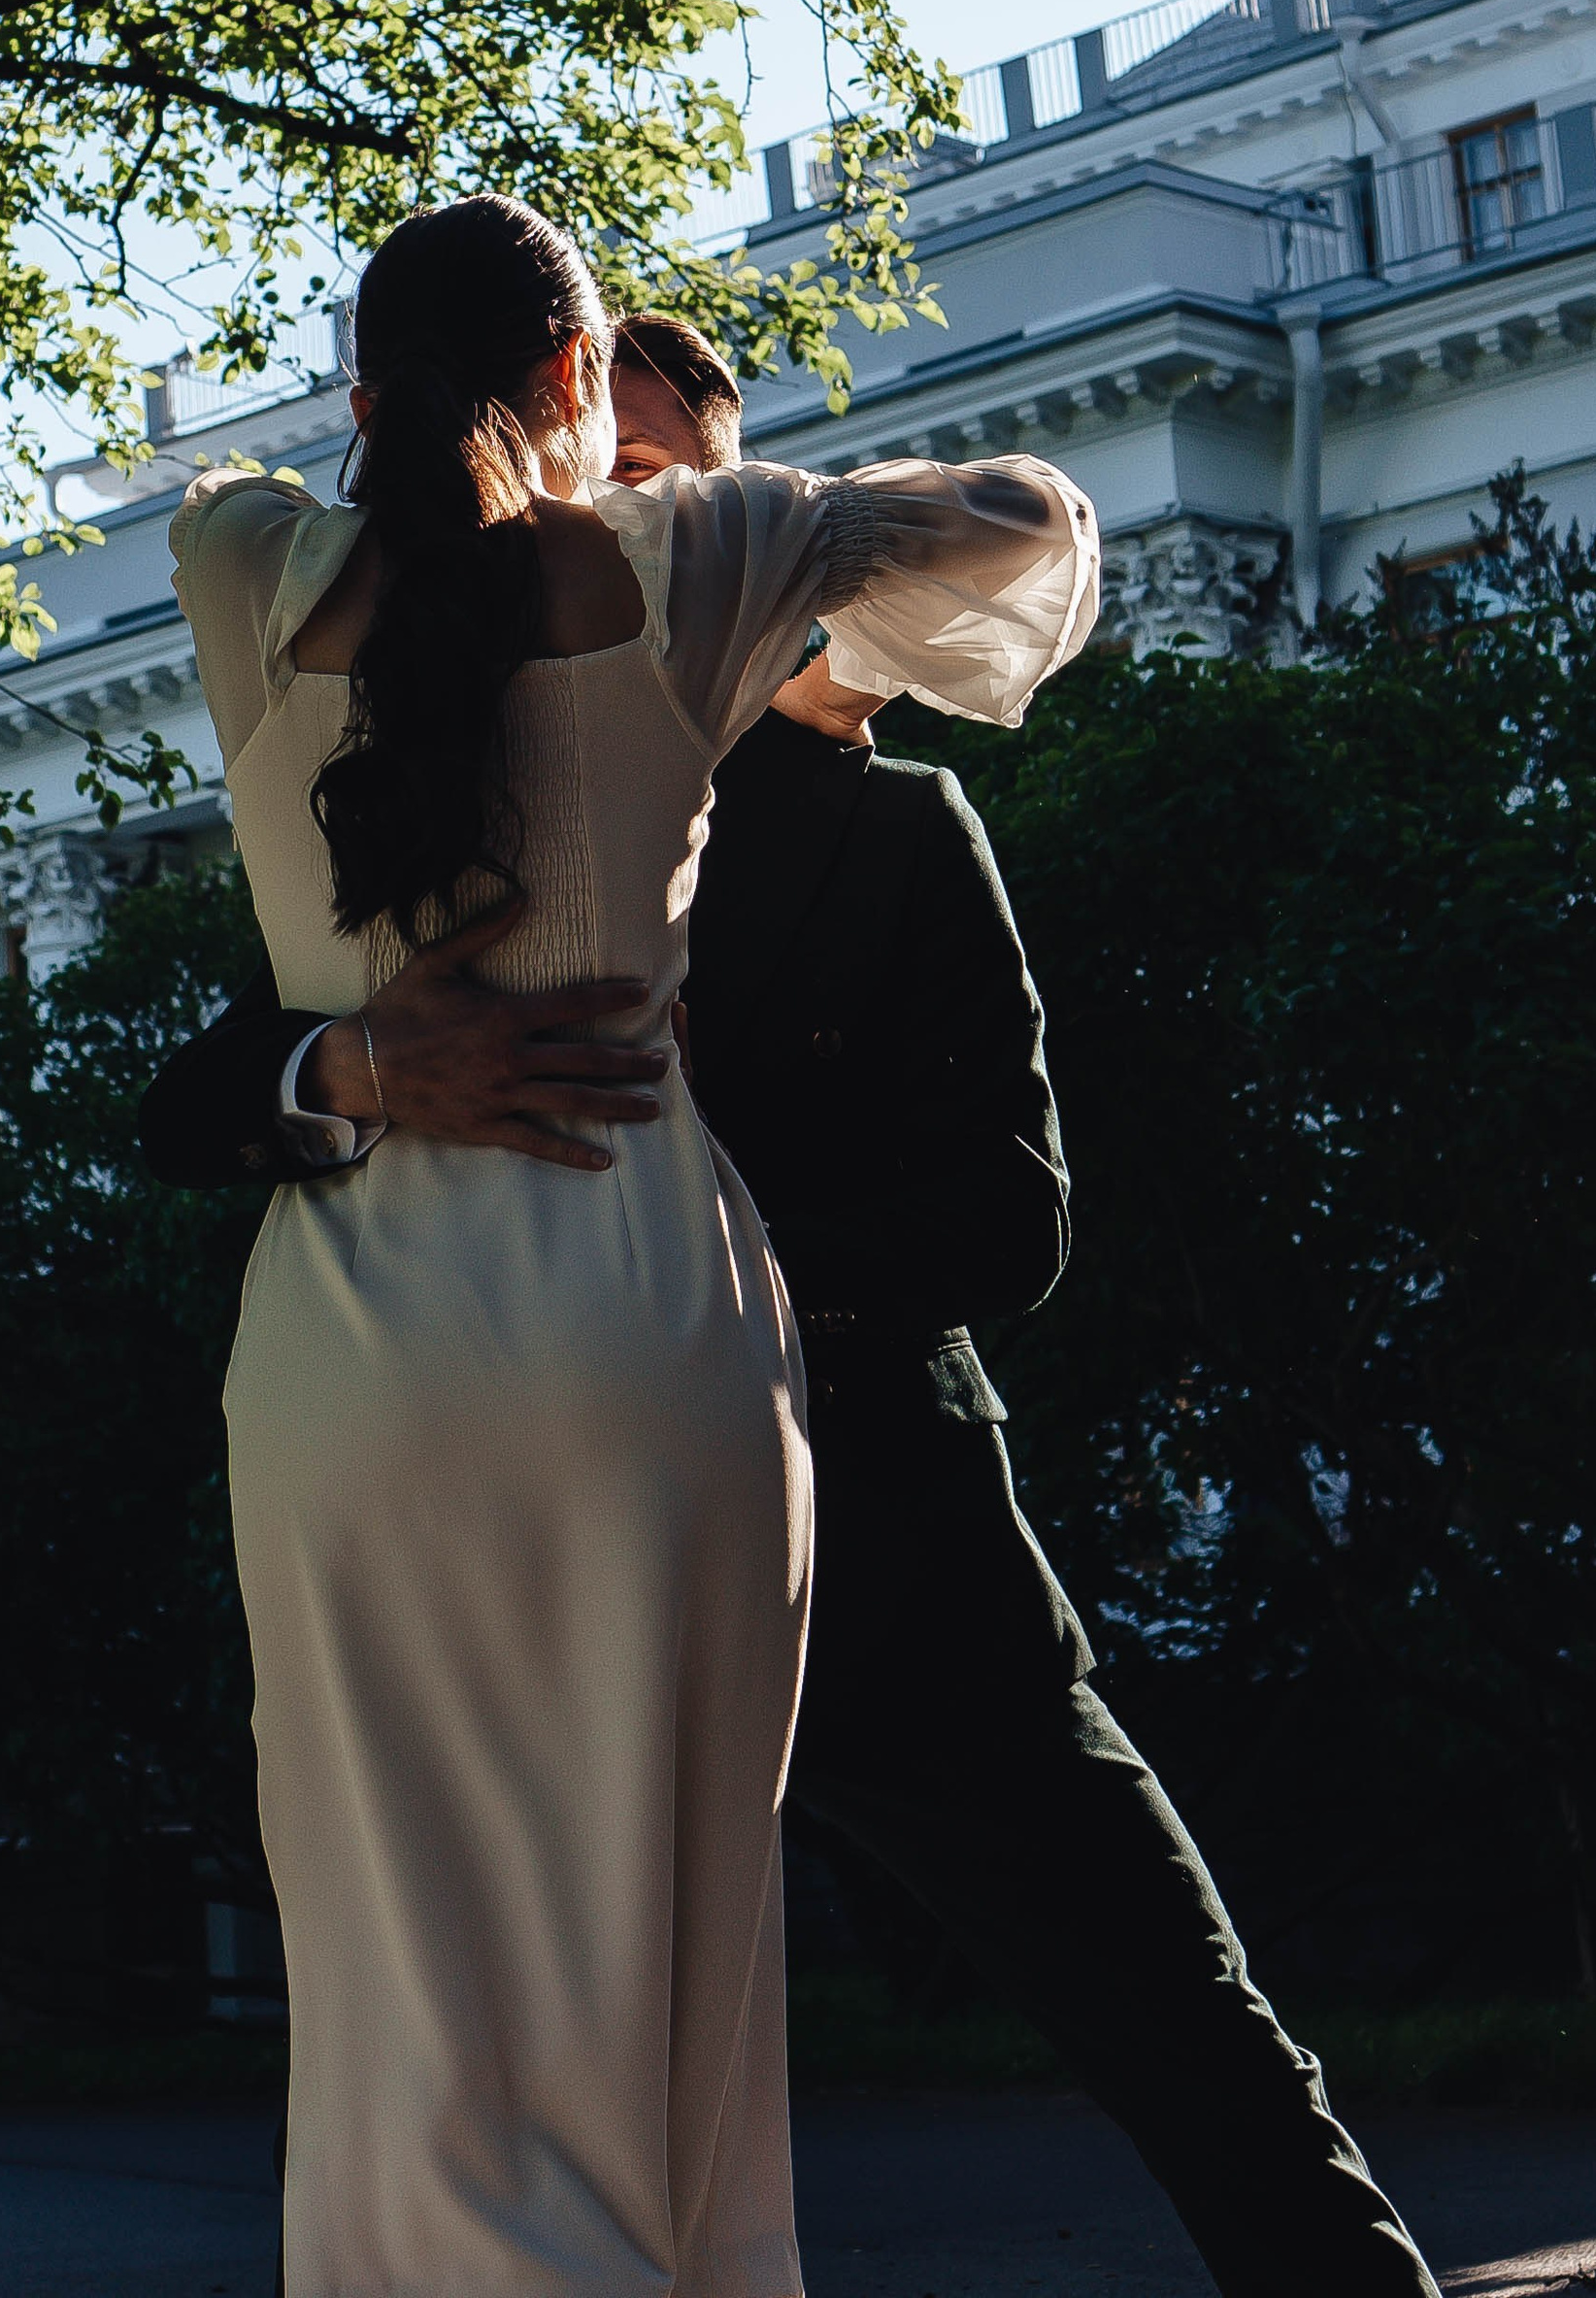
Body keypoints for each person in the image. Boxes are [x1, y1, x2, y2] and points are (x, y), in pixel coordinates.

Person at [149, 307, 1442, 2298]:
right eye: (596, 488)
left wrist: (700, 1268)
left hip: (874, 1524)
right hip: (514, 1510)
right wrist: (358, 1079)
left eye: (664, 493)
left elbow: (1008, 1219)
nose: (615, 527)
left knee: (1163, 1998)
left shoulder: (897, 824)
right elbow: (198, 1089)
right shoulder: (434, 788)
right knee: (509, 2027)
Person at [164, 197, 1100, 2298]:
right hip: (641, 1324)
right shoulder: (686, 561)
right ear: (583, 381)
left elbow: (271, 506)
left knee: (393, 1970)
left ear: (362, 399)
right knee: (654, 1944)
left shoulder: (238, 565)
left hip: (347, 1370)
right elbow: (1026, 531)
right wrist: (726, 499)